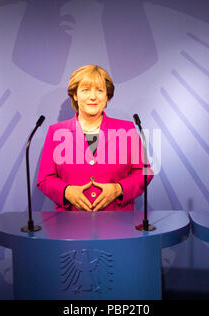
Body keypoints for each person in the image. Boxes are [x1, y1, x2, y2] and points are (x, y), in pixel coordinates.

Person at [37, 65, 153, 211]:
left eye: (99, 90)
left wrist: (118, 189)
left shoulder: (127, 129)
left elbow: (144, 172)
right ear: (75, 95)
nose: (93, 96)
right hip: (70, 223)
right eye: (85, 90)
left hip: (118, 223)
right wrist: (66, 191)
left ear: (107, 96)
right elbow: (45, 179)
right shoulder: (56, 132)